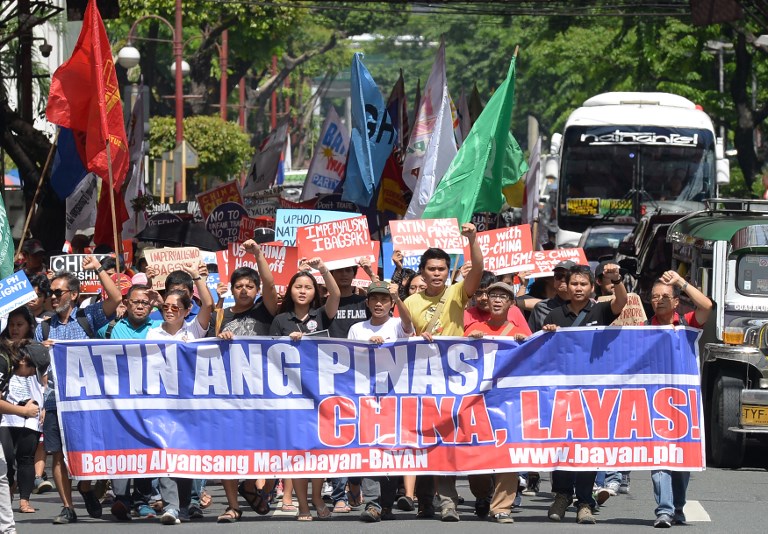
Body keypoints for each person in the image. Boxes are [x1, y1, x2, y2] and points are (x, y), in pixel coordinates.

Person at [403, 222, 486, 522]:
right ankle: (437, 502)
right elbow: (401, 341)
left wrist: (473, 239)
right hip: (423, 381)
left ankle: (473, 497)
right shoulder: (409, 303)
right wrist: (414, 339)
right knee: (429, 440)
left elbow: (478, 267)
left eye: (441, 269)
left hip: (457, 379)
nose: (436, 273)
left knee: (459, 439)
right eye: (431, 269)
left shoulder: (456, 293)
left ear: (447, 270)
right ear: (422, 272)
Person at [34, 256, 122, 524]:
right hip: (55, 400)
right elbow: (40, 370)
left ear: (73, 295)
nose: (52, 297)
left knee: (88, 449)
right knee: (57, 454)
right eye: (50, 292)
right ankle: (67, 507)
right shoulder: (44, 327)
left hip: (86, 399)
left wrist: (98, 269)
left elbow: (117, 298)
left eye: (57, 292)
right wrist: (43, 353)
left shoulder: (88, 317)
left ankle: (85, 486)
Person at [542, 263, 627, 525]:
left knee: (588, 447)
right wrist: (546, 335)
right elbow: (542, 354)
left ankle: (584, 502)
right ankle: (562, 496)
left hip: (592, 393)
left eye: (583, 284)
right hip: (562, 393)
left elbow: (621, 301)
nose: (578, 288)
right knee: (562, 445)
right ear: (566, 286)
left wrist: (616, 280)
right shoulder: (554, 315)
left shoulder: (601, 309)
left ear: (591, 288)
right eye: (574, 284)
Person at [270, 258, 340, 521]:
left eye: (308, 287)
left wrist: (323, 268)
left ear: (315, 292)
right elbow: (269, 355)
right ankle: (302, 505)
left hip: (320, 393)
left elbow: (334, 295)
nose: (302, 291)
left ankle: (317, 497)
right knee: (299, 452)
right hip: (291, 396)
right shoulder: (280, 320)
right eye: (298, 286)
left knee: (318, 450)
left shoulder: (322, 314)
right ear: (290, 290)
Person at [214, 239, 279, 524]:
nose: (243, 290)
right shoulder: (222, 316)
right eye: (238, 285)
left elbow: (270, 284)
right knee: (227, 447)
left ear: (255, 291)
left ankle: (252, 485)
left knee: (258, 445)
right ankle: (232, 506)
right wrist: (220, 337)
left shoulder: (264, 310)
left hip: (260, 391)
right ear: (231, 289)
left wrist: (258, 254)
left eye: (248, 286)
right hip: (227, 392)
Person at [145, 263, 213, 525]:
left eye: (176, 307)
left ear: (186, 311)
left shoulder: (194, 331)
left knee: (185, 455)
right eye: (166, 307)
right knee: (165, 452)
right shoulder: (152, 333)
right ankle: (172, 506)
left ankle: (184, 505)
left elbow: (207, 305)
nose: (170, 311)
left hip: (190, 404)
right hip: (162, 403)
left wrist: (197, 277)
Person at [648, 270, 712, 528]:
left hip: (682, 405)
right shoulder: (641, 329)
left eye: (665, 296)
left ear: (676, 301)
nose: (659, 300)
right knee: (659, 457)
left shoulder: (687, 324)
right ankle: (664, 510)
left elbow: (707, 306)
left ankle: (677, 507)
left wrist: (680, 282)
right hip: (652, 403)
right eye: (654, 297)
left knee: (681, 461)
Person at [349, 281, 414, 522]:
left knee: (391, 451)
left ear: (391, 304)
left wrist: (399, 299)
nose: (378, 303)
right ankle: (373, 503)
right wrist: (367, 348)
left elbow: (409, 326)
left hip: (395, 399)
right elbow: (350, 360)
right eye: (374, 299)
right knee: (369, 449)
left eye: (384, 300)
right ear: (367, 303)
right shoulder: (357, 329)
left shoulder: (397, 324)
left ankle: (386, 504)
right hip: (366, 398)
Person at [96, 284, 163, 521]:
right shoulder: (110, 329)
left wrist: (161, 302)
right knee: (121, 448)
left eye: (146, 302)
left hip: (149, 402)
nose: (141, 306)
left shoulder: (159, 326)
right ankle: (121, 499)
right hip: (119, 403)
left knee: (145, 449)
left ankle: (143, 501)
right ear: (126, 303)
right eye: (136, 301)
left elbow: (180, 329)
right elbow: (83, 349)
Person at [0, 311, 44, 515]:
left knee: (26, 457)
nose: (15, 329)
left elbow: (46, 379)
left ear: (29, 326)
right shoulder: (1, 349)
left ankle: (24, 499)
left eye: (20, 324)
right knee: (7, 457)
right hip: (6, 412)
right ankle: (7, 493)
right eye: (12, 325)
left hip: (31, 411)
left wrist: (43, 407)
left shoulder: (37, 349)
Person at [464, 272, 530, 337]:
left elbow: (530, 341)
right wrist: (469, 340)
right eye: (493, 296)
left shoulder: (514, 313)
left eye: (503, 296)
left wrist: (523, 341)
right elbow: (458, 345)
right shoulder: (471, 325)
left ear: (511, 303)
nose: (497, 300)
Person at [527, 261, 575, 332]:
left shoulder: (586, 306)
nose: (562, 279)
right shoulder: (541, 308)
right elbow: (531, 337)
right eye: (558, 276)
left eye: (567, 276)